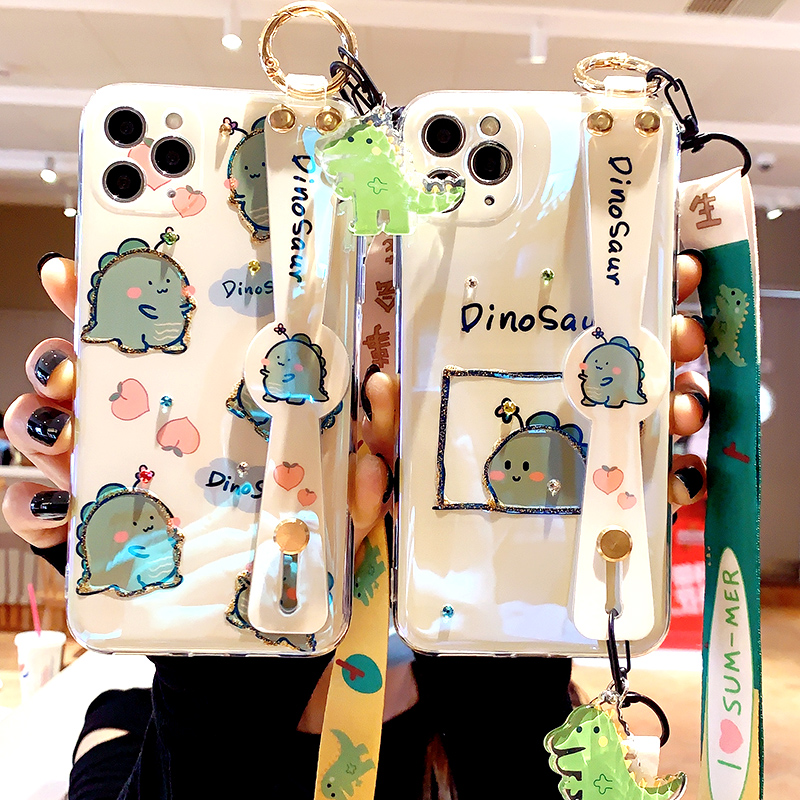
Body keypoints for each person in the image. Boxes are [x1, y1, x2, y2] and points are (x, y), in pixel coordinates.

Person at [1, 252, 709, 800]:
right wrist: (220, 662)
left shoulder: (536, 724)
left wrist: (499, 631)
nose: (375, 419)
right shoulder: (128, 725)